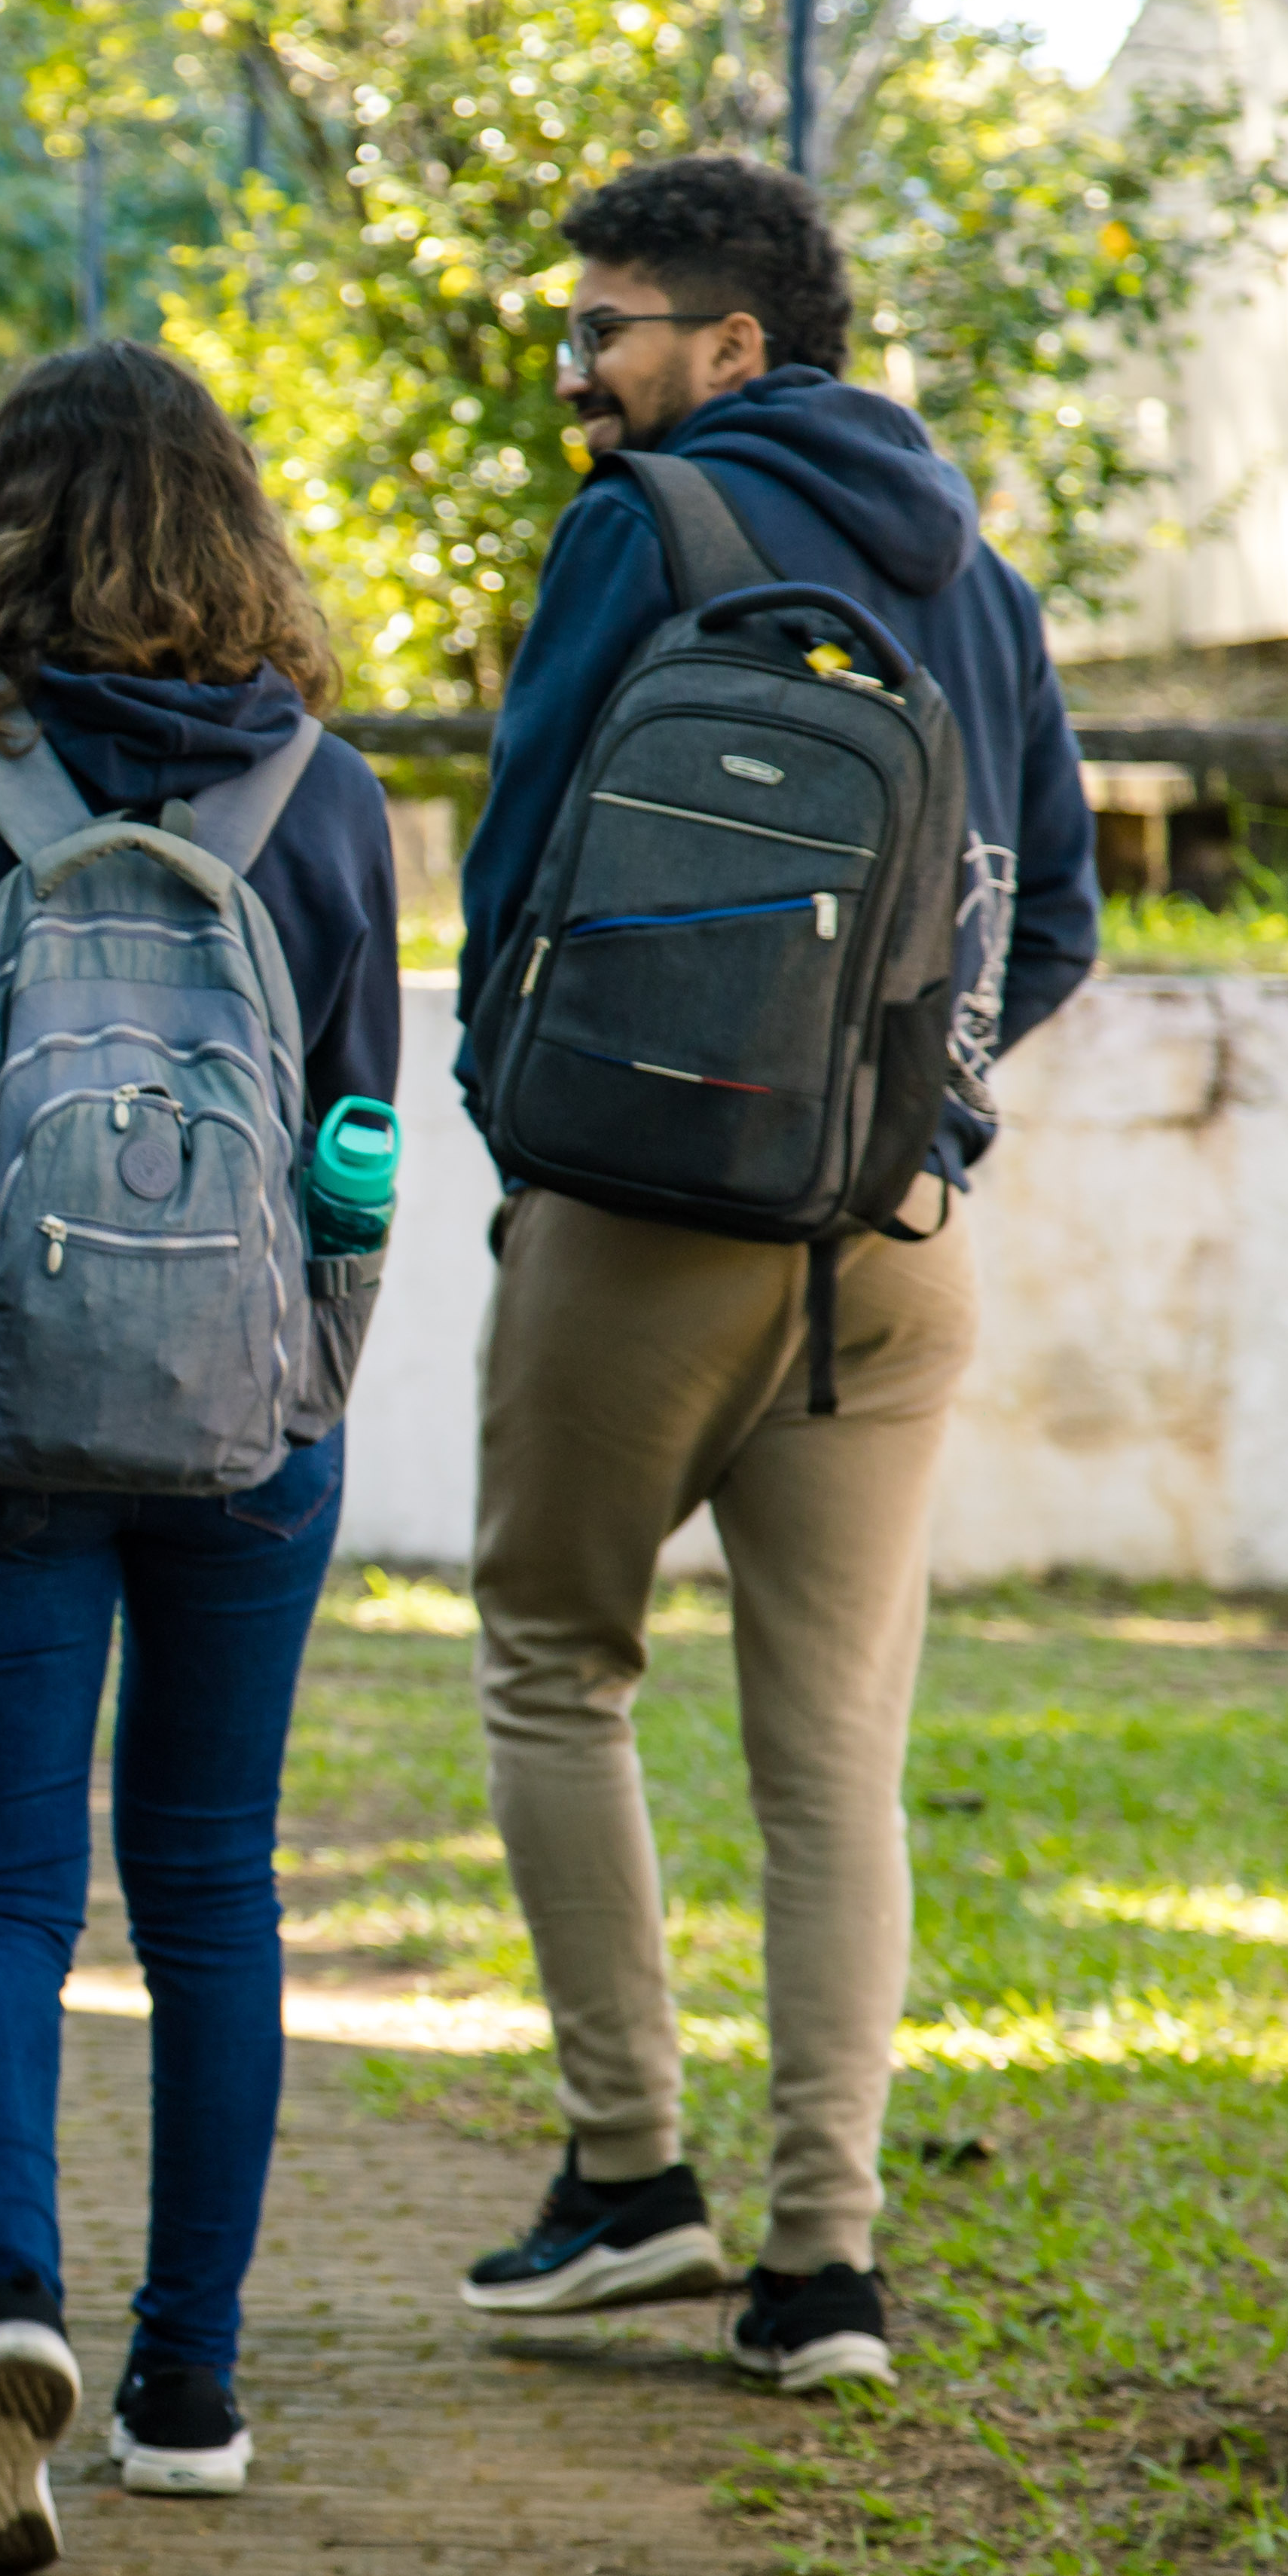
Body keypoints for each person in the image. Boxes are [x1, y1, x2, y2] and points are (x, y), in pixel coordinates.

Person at [450, 154, 1097, 2392]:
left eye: (603, 327)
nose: (573, 369)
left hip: (640, 1219)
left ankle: (628, 2181)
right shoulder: (981, 575)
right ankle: (824, 2269)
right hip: (895, 1243)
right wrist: (899, 1115)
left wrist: (523, 1151)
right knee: (832, 1758)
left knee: (554, 1652)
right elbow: (1066, 918)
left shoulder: (644, 532)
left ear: (730, 348)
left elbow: (519, 861)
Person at [0, 343, 401, 2575]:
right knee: (212, 1886)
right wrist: (307, 1377)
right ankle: (191, 2380)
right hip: (247, 1417)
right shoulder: (325, 796)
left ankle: (9, 2310)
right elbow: (351, 1146)